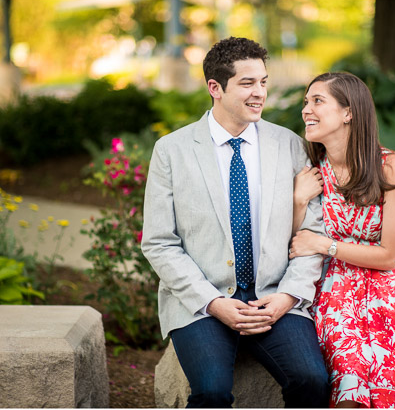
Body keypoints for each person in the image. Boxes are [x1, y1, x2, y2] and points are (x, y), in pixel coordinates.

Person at [141, 37, 329, 408]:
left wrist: (287, 297)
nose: (260, 93)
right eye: (247, 83)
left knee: (312, 381)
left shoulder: (289, 144)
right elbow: (159, 242)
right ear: (215, 88)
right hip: (200, 302)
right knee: (211, 392)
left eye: (263, 81)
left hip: (274, 295)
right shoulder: (172, 151)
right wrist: (213, 303)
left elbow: (314, 231)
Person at [289, 72, 395, 408]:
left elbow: (388, 257)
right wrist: (298, 201)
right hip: (334, 286)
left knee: (386, 360)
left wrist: (325, 245)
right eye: (306, 102)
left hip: (390, 285)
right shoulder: (311, 170)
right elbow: (295, 242)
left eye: (317, 101)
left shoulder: (391, 168)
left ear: (348, 112)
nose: (306, 110)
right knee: (349, 369)